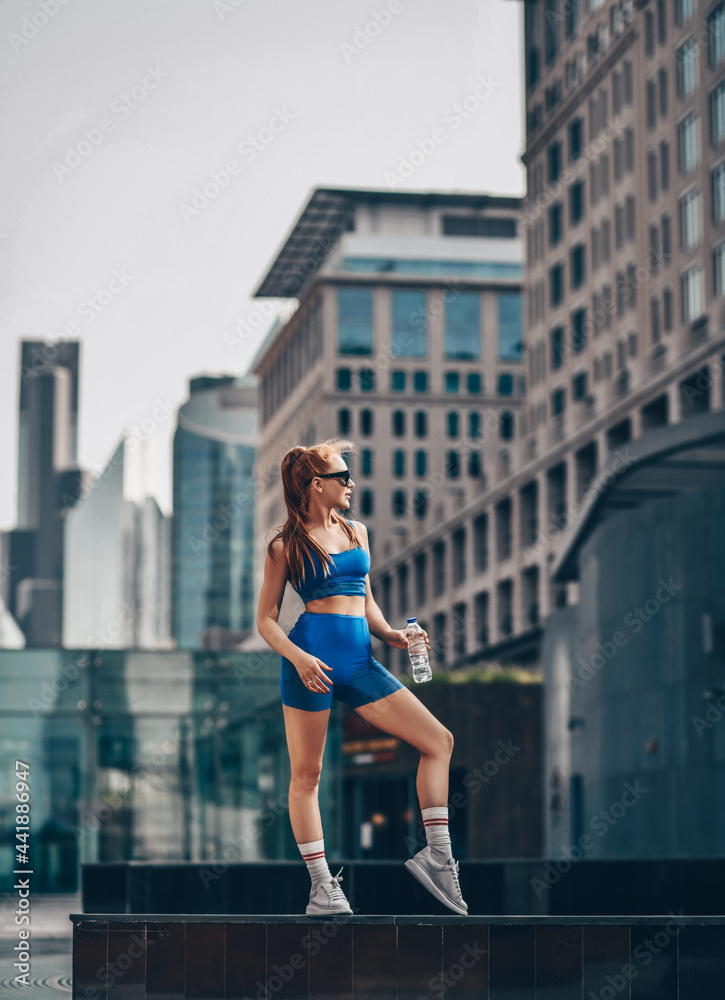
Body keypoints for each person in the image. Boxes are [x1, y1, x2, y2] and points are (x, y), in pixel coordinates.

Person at [256, 438, 467, 916]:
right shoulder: (285, 545)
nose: (350, 483)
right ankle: (321, 887)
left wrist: (392, 634)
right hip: (309, 664)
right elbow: (266, 619)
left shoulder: (358, 532)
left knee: (439, 741)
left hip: (359, 663)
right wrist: (299, 659)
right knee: (306, 776)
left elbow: (363, 598)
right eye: (341, 476)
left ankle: (437, 856)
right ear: (316, 485)